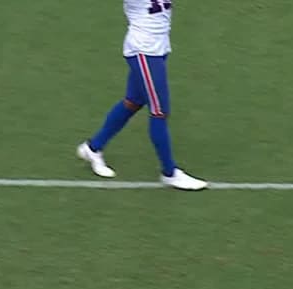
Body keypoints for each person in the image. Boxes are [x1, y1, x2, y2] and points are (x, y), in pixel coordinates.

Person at [76, 0, 207, 190]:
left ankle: (92, 148)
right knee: (159, 111)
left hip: (158, 47)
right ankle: (169, 173)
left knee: (133, 102)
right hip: (144, 50)